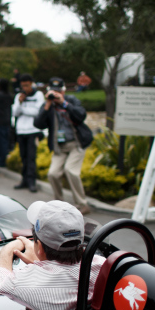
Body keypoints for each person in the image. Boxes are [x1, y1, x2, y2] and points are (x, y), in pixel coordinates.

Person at [0, 200, 105, 310]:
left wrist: (8, 250)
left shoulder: (21, 284)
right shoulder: (103, 266)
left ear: (40, 247)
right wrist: (41, 263)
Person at [35, 77, 93, 215]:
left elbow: (81, 116)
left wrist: (64, 103)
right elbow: (38, 124)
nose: (55, 94)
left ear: (63, 91)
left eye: (58, 91)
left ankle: (82, 204)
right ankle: (58, 204)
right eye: (53, 92)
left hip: (76, 144)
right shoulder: (48, 105)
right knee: (53, 174)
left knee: (71, 170)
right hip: (59, 147)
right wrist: (47, 105)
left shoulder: (71, 100)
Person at [12, 74, 45, 193]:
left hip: (33, 130)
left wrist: (23, 110)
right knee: (23, 157)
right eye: (23, 86)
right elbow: (15, 113)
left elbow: (37, 112)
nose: (25, 88)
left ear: (31, 83)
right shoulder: (18, 96)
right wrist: (20, 103)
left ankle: (32, 182)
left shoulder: (38, 95)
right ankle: (24, 180)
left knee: (31, 157)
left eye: (27, 85)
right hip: (21, 131)